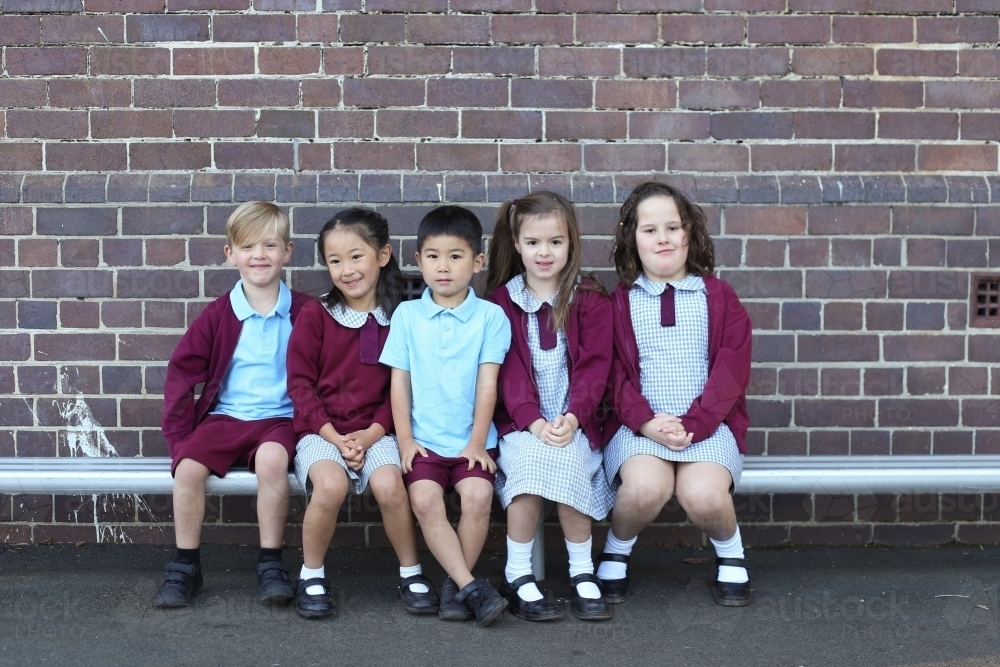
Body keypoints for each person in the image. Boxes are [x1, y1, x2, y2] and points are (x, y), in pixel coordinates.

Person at [598, 182, 754, 607]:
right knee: (643, 490)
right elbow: (611, 373)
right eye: (649, 230)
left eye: (672, 227)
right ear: (633, 239)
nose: (662, 238)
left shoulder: (718, 297)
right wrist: (647, 422)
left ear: (690, 234)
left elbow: (731, 370)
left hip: (708, 424)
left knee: (702, 496)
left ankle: (731, 553)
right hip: (639, 427)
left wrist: (696, 424)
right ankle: (617, 547)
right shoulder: (621, 302)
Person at [155, 201, 310, 608]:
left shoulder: (306, 312)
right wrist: (180, 439)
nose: (258, 255)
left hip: (281, 419)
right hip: (226, 417)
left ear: (287, 252)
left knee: (273, 462)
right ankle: (186, 564)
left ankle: (271, 562)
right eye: (247, 247)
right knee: (187, 469)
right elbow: (181, 373)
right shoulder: (218, 315)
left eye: (270, 245)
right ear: (230, 254)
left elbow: (325, 374)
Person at [286, 208, 438, 619]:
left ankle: (411, 572)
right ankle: (311, 574)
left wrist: (371, 435)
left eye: (356, 256)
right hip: (321, 430)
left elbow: (401, 387)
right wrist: (334, 436)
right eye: (335, 261)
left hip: (378, 430)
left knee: (390, 486)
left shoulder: (401, 317)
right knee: (331, 486)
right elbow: (300, 383)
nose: (346, 270)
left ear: (383, 255)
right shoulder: (316, 314)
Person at [484, 192, 615, 622]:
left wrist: (573, 417)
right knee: (528, 469)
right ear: (517, 244)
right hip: (522, 423)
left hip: (576, 420)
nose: (545, 252)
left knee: (572, 460)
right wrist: (534, 422)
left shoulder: (590, 298)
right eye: (534, 242)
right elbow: (508, 370)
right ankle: (517, 573)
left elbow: (596, 367)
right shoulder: (501, 303)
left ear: (571, 244)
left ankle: (582, 570)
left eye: (556, 242)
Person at [379, 206, 512, 626]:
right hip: (424, 439)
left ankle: (456, 588)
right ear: (418, 261)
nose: (443, 266)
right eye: (433, 256)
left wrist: (476, 442)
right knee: (424, 499)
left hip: (473, 438)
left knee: (477, 498)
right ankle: (470, 588)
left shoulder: (491, 317)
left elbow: (487, 384)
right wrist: (404, 440)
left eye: (456, 256)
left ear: (477, 263)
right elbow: (399, 383)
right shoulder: (407, 316)